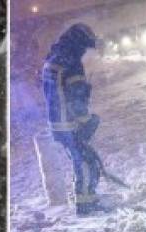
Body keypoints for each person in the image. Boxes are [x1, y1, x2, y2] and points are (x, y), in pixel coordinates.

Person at [42, 23, 105, 216]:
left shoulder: (54, 58)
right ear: (79, 43)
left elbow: (54, 94)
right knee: (86, 162)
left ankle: (87, 200)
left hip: (57, 123)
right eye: (85, 46)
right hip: (71, 124)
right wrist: (86, 120)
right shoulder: (71, 63)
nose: (86, 50)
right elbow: (76, 96)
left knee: (81, 160)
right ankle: (86, 204)